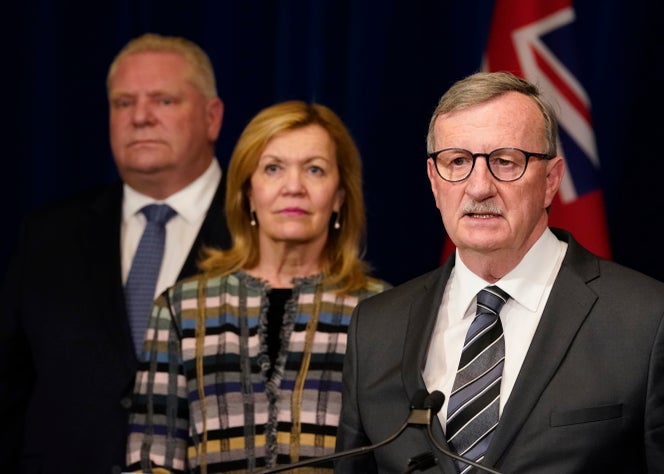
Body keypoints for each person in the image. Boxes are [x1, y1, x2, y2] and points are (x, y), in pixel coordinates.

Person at [335, 71, 664, 473]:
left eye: (505, 161)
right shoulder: (375, 329)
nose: (479, 186)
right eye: (458, 162)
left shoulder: (648, 323)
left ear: (551, 180)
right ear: (434, 182)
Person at [0, 33, 231, 474]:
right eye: (124, 103)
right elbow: (9, 389)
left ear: (212, 117)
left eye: (164, 100)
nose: (140, 117)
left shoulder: (260, 230)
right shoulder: (48, 234)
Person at [124, 100, 392, 473]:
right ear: (249, 192)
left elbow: (393, 458)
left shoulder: (382, 310)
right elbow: (151, 459)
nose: (293, 187)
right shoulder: (181, 308)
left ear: (340, 197)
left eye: (314, 169)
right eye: (273, 168)